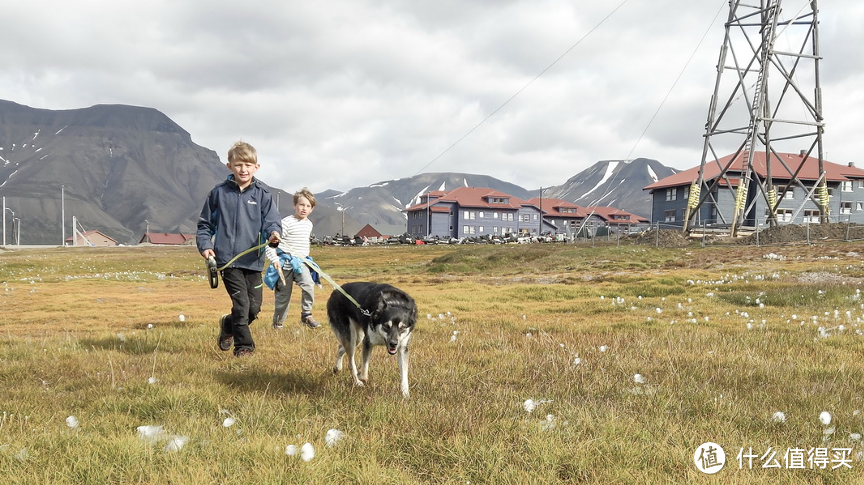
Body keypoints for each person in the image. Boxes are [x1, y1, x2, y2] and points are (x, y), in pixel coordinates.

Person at [196, 141, 281, 357]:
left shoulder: (263, 194)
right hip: (228, 261)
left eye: (248, 165)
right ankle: (244, 348)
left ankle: (227, 325)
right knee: (242, 306)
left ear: (256, 167)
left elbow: (272, 221)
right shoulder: (218, 193)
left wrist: (274, 234)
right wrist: (205, 246)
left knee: (254, 309)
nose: (243, 169)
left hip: (253, 261)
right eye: (238, 165)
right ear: (229, 166)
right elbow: (205, 225)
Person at [266, 188, 322, 330]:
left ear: (312, 209)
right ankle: (277, 325)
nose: (304, 208)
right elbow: (271, 244)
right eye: (301, 205)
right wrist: (274, 259)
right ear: (295, 205)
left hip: (301, 262)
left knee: (309, 285)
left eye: (308, 206)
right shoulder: (285, 223)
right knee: (283, 296)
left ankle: (306, 315)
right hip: (284, 263)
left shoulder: (309, 224)